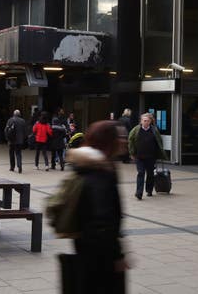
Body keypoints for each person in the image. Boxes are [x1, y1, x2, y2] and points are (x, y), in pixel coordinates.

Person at [65, 120, 128, 293]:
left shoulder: (88, 167)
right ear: (109, 141)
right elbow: (103, 221)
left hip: (86, 249)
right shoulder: (100, 172)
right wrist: (117, 256)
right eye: (120, 137)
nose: (125, 140)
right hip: (100, 257)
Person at [128, 113, 167, 200]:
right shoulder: (136, 130)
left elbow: (159, 142)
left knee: (150, 174)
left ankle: (149, 190)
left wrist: (159, 154)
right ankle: (139, 193)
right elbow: (130, 141)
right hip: (139, 156)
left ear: (150, 122)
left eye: (147, 121)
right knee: (141, 173)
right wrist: (132, 153)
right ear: (141, 121)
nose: (145, 122)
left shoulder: (154, 130)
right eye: (144, 120)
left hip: (151, 157)